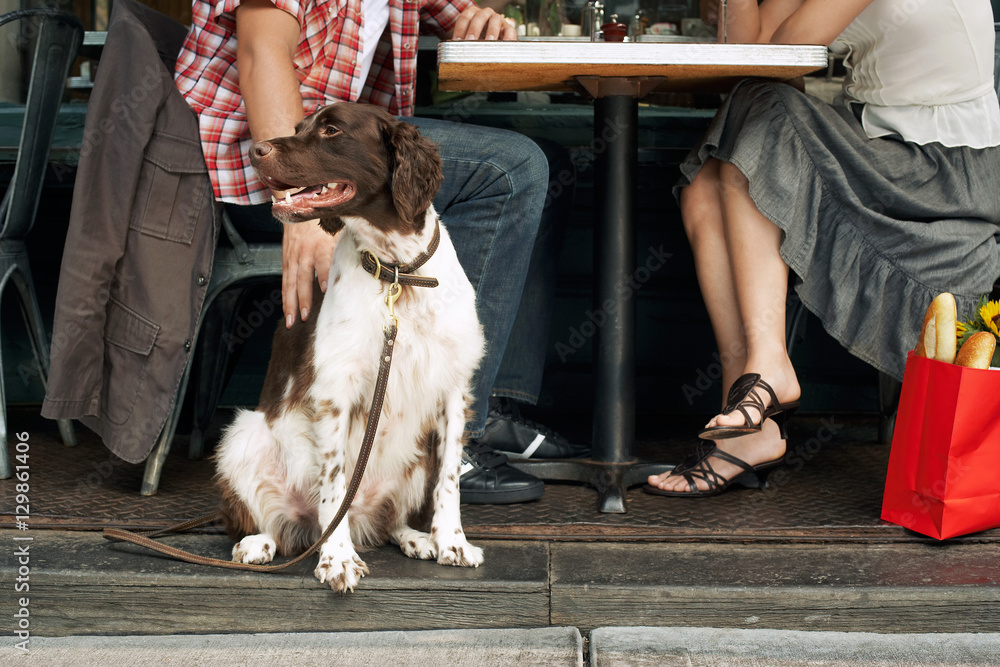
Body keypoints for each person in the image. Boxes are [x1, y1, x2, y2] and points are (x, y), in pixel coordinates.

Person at [174, 0, 581, 504]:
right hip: (257, 160)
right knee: (513, 168)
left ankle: (488, 407)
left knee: (549, 162)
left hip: (343, 158)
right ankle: (451, 445)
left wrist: (486, 20)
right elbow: (261, 53)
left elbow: (456, 12)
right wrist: (299, 200)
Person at [646, 0, 1000, 497]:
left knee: (763, 109)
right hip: (885, 143)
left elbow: (785, 55)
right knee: (706, 186)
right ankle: (749, 418)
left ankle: (768, 368)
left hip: (942, 167)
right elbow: (754, 50)